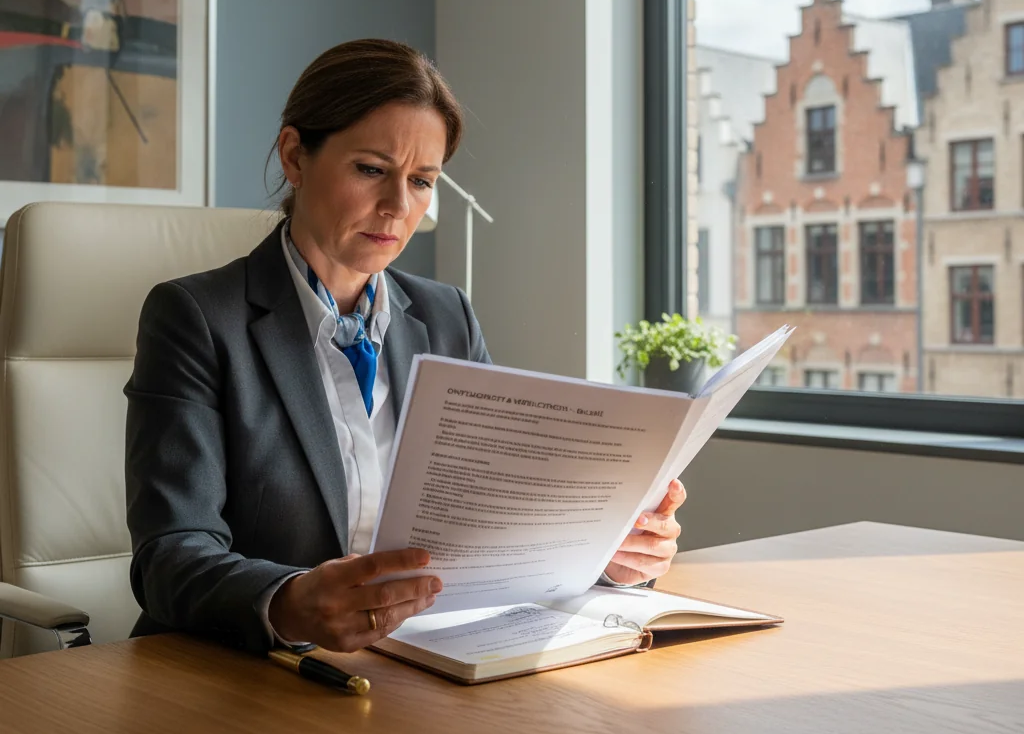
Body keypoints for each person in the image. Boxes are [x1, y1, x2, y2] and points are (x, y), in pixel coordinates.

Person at [124, 38, 686, 654]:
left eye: (422, 181)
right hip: (247, 672)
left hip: (419, 657)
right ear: (294, 155)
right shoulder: (198, 318)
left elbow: (494, 517)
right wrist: (287, 602)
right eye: (371, 170)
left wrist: (607, 552)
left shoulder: (447, 316)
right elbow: (170, 557)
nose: (398, 207)